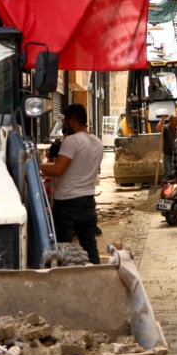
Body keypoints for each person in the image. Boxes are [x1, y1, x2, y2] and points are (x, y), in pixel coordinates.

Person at [39, 103, 103, 264]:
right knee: (90, 250)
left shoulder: (72, 141)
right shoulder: (97, 142)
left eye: (65, 120)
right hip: (88, 202)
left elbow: (58, 169)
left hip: (67, 204)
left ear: (73, 120)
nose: (64, 125)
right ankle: (98, 282)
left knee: (61, 251)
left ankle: (64, 285)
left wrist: (34, 164)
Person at [157, 113, 177, 179]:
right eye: (174, 120)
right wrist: (163, 118)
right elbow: (158, 128)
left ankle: (174, 187)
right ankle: (166, 186)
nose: (176, 122)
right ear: (170, 121)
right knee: (168, 172)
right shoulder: (166, 128)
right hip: (168, 156)